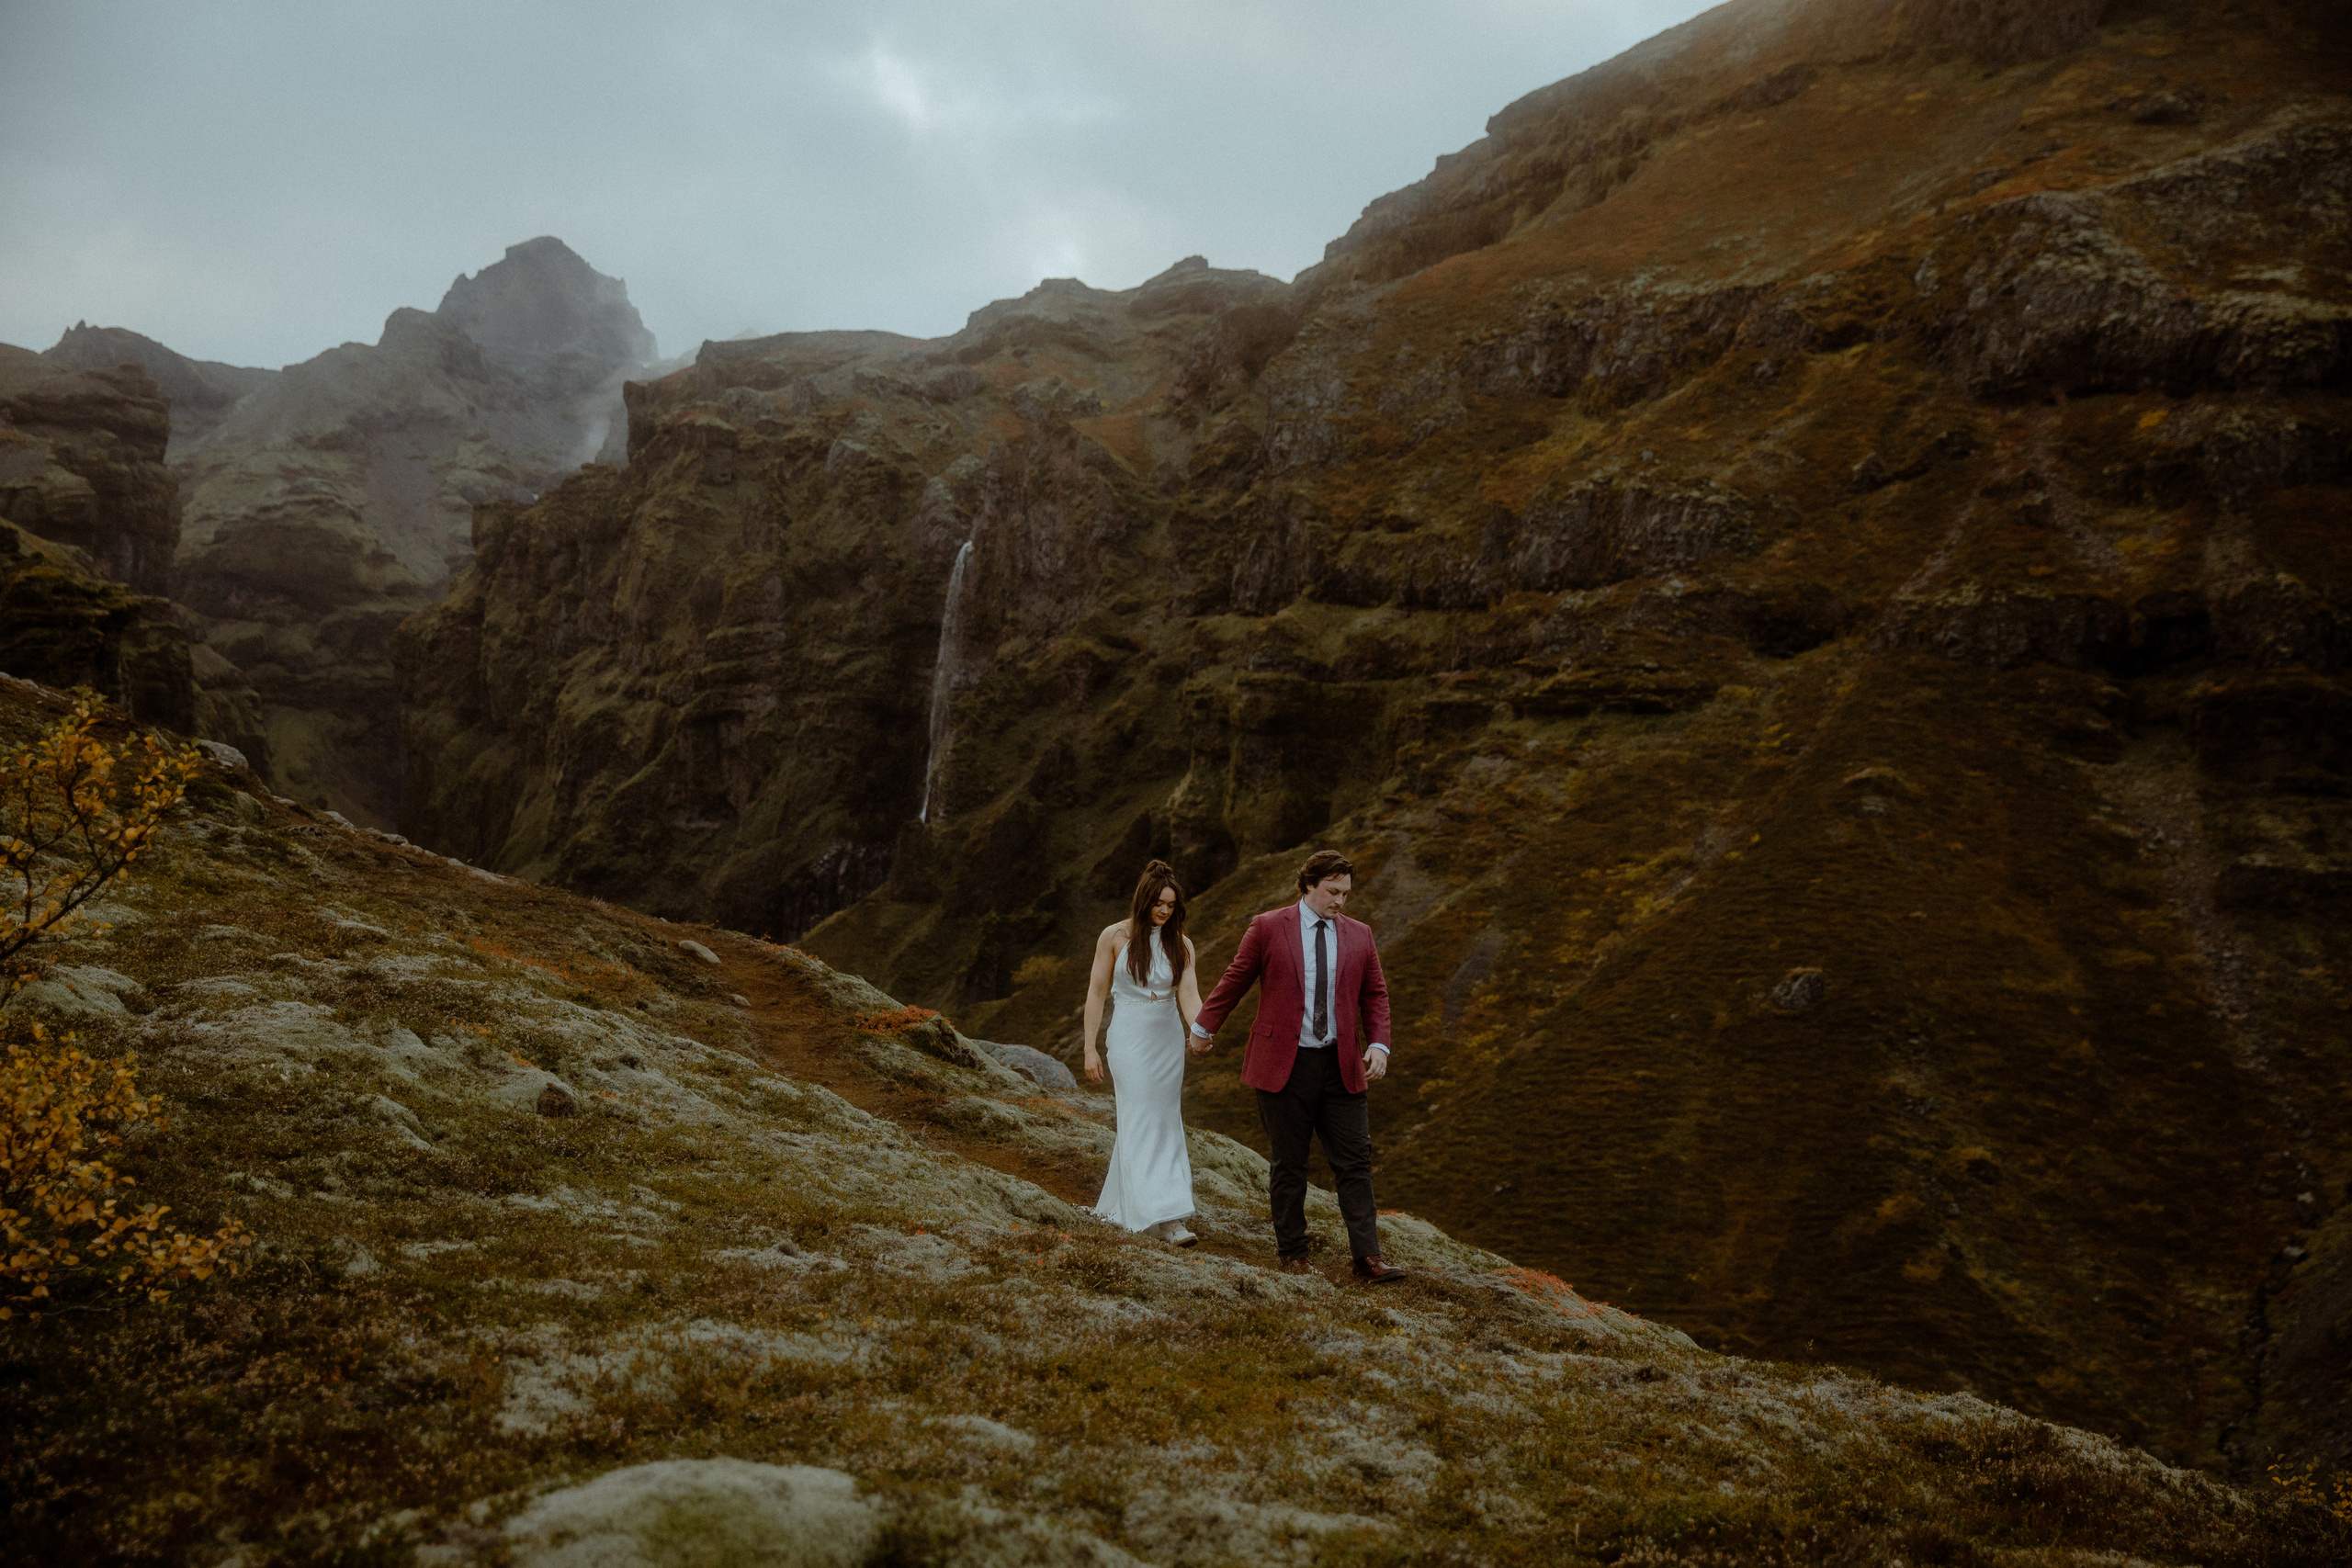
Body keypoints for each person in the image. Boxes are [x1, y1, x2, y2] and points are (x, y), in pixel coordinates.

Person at [1189, 849, 1406, 1282]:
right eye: (1332, 891)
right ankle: (1294, 1256)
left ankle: (1368, 1258)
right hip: (1283, 1066)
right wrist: (1203, 1027)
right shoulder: (1269, 927)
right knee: (1289, 1164)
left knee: (1355, 1162)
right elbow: (1236, 978)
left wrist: (1379, 1044)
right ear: (1308, 885)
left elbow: (1375, 994)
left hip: (1340, 1066)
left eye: (1346, 892)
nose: (1341, 900)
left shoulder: (1360, 935)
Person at [1082, 860, 1204, 1246]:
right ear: (1144, 900)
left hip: (1166, 1041)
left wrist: (1200, 1030)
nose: (1165, 911)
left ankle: (1151, 1211)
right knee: (1139, 1117)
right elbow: (1096, 993)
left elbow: (1188, 994)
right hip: (1128, 1038)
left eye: (1171, 904)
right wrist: (1089, 1048)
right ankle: (1166, 1218)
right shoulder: (1114, 937)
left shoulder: (1181, 944)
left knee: (1164, 1120)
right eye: (1158, 903)